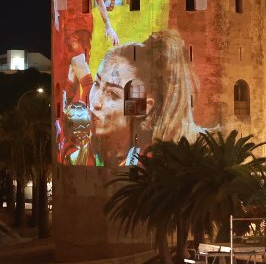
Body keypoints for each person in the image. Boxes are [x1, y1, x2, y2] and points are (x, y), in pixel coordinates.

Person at [87, 29, 206, 166]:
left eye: (112, 94)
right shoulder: (81, 151)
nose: (96, 102)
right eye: (96, 84)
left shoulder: (153, 164)